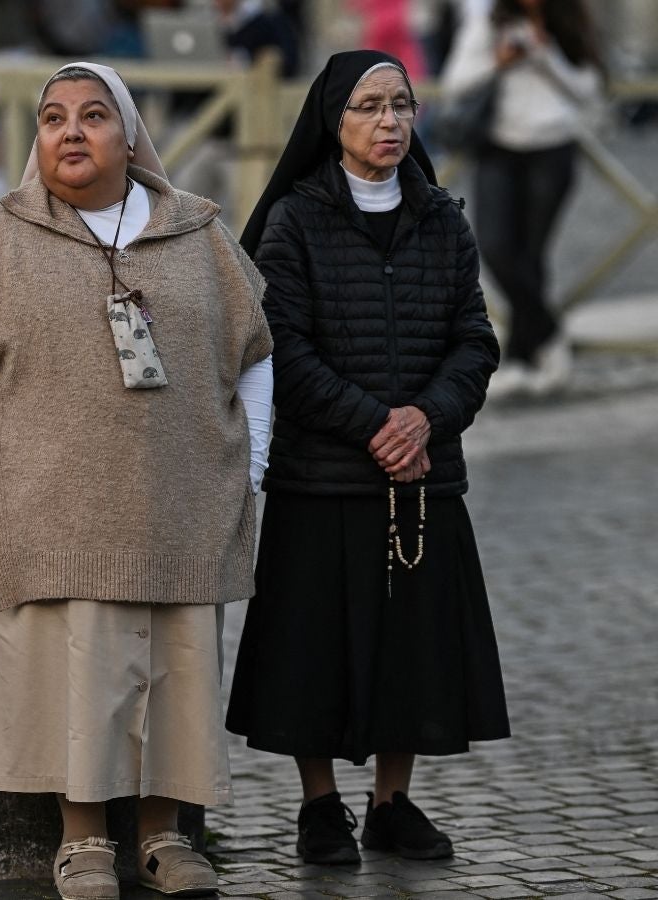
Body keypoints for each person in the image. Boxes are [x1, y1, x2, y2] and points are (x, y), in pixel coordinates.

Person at [0, 62, 274, 900]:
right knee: (80, 678)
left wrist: (249, 466)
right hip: (51, 508)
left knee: (176, 675)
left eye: (94, 115)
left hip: (181, 504)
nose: (72, 131)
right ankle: (83, 842)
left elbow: (256, 354)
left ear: (131, 133)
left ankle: (163, 836)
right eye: (53, 118)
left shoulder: (199, 236)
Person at [227, 49, 511, 866]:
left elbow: (475, 340)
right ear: (332, 120)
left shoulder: (441, 217)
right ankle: (320, 807)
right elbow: (282, 345)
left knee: (411, 647)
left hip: (423, 474)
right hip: (323, 473)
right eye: (369, 107)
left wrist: (425, 419)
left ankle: (393, 803)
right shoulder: (296, 220)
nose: (389, 122)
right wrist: (372, 424)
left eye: (402, 105)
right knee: (312, 645)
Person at [441, 0, 605, 397]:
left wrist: (545, 54)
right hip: (499, 147)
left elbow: (588, 88)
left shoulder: (567, 19)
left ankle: (520, 359)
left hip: (553, 147)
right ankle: (550, 338)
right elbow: (454, 81)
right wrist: (499, 60)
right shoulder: (489, 23)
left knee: (530, 257)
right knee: (496, 250)